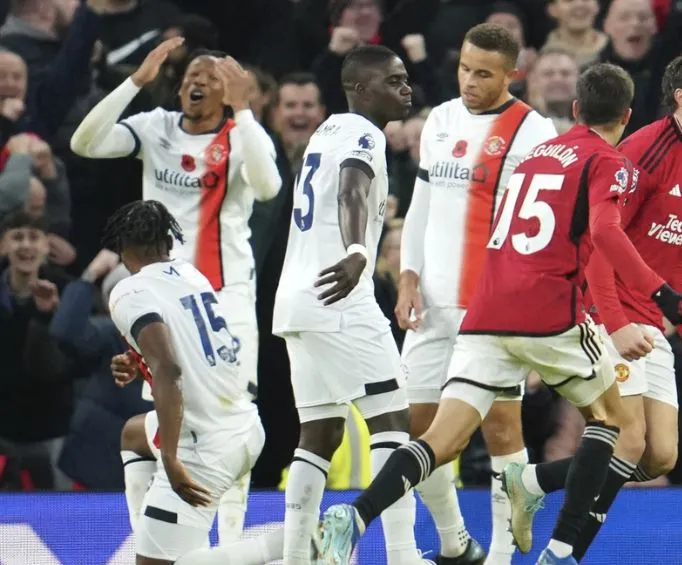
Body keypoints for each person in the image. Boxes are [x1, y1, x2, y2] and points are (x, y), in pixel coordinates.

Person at [314, 62, 682, 565]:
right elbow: (606, 232)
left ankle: (355, 515)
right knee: (614, 424)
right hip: (551, 314)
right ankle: (560, 549)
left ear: (577, 110)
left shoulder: (536, 155)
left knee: (440, 440)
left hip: (485, 309)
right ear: (626, 117)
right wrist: (667, 297)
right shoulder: (611, 162)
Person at [507, 47, 682, 561]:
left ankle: (533, 481)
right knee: (625, 443)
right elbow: (598, 243)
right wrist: (612, 324)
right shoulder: (643, 152)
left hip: (650, 320)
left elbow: (678, 255)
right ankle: (562, 553)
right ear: (681, 97)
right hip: (603, 311)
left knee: (658, 456)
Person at [69, 37, 282, 543]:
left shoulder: (240, 138)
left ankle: (230, 544)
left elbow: (270, 186)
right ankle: (156, 535)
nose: (196, 83)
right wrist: (134, 82)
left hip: (224, 296)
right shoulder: (156, 128)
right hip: (160, 296)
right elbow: (85, 143)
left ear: (227, 92)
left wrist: (245, 110)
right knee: (169, 417)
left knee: (231, 415)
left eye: (209, 79)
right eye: (189, 77)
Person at [396, 22, 557, 565]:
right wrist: (408, 275)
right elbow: (420, 203)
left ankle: (503, 558)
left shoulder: (535, 132)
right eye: (465, 68)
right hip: (432, 304)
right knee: (417, 429)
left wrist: (533, 310)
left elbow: (544, 232)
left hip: (491, 308)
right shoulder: (439, 119)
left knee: (501, 428)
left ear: (513, 73)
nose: (470, 80)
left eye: (484, 73)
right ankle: (455, 539)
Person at [271, 45, 429, 565]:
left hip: (298, 298)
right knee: (394, 422)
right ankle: (403, 555)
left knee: (319, 432)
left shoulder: (326, 132)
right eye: (394, 80)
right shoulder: (364, 134)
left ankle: (297, 557)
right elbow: (352, 190)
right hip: (339, 295)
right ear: (362, 89)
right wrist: (360, 250)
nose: (406, 88)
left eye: (406, 79)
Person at [102, 200, 282, 565]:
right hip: (245, 425)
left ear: (123, 247)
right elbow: (188, 348)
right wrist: (139, 361)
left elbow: (169, 368)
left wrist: (170, 459)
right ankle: (151, 538)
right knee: (135, 435)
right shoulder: (191, 274)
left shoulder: (127, 291)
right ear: (169, 241)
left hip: (204, 450)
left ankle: (290, 543)